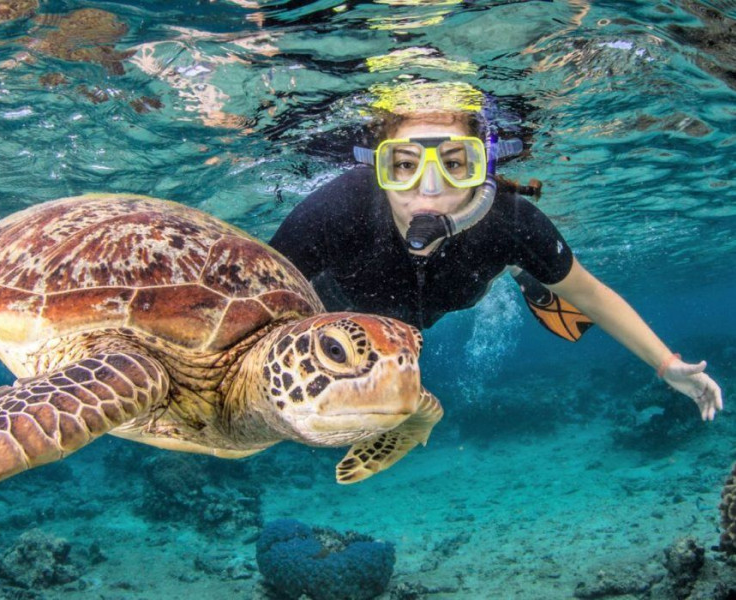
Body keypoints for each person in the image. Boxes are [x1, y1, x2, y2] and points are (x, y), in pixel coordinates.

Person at [269, 81, 723, 420]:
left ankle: (523, 271)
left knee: (504, 255)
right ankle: (521, 267)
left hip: (460, 292)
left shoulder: (510, 221)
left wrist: (667, 364)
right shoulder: (339, 208)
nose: (429, 190)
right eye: (404, 165)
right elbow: (255, 290)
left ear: (480, 168)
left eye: (453, 164)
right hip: (343, 303)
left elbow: (590, 295)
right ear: (380, 167)